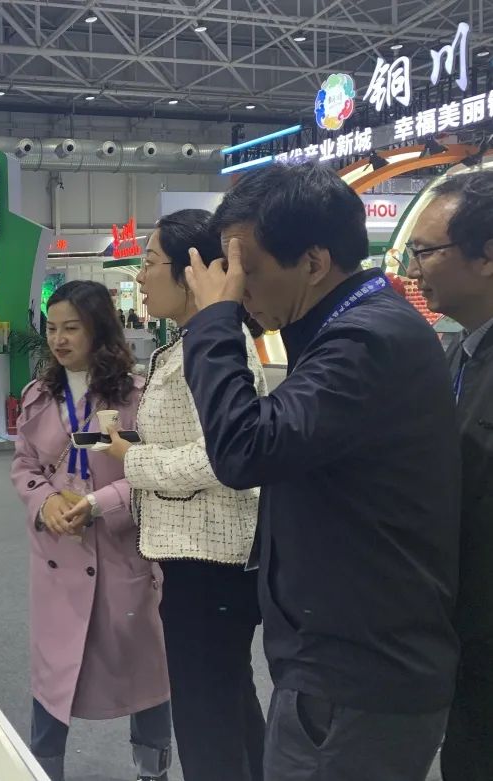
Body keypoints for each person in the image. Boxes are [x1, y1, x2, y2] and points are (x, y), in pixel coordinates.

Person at [181, 163, 460, 781]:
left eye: (247, 271)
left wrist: (212, 322)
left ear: (312, 262)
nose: (236, 289)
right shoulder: (345, 328)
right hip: (344, 659)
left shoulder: (366, 340)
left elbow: (244, 449)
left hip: (358, 675)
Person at [97, 210, 267, 781]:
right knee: (227, 698)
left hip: (211, 559)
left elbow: (221, 456)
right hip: (196, 554)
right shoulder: (194, 343)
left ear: (193, 268)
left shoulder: (217, 348)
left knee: (205, 713)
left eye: (150, 262)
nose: (140, 277)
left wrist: (132, 458)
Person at [11, 280, 172, 781]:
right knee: (53, 674)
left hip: (122, 553)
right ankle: (45, 771)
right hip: (57, 553)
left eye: (72, 328)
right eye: (52, 328)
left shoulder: (139, 396)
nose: (58, 340)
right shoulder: (39, 395)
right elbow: (24, 465)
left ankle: (153, 770)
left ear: (98, 330)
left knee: (147, 671)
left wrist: (101, 503)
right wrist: (44, 501)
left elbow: (153, 470)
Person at [405, 169, 493, 781]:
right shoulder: (458, 352)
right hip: (462, 632)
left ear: (486, 256)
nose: (413, 271)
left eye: (426, 252)